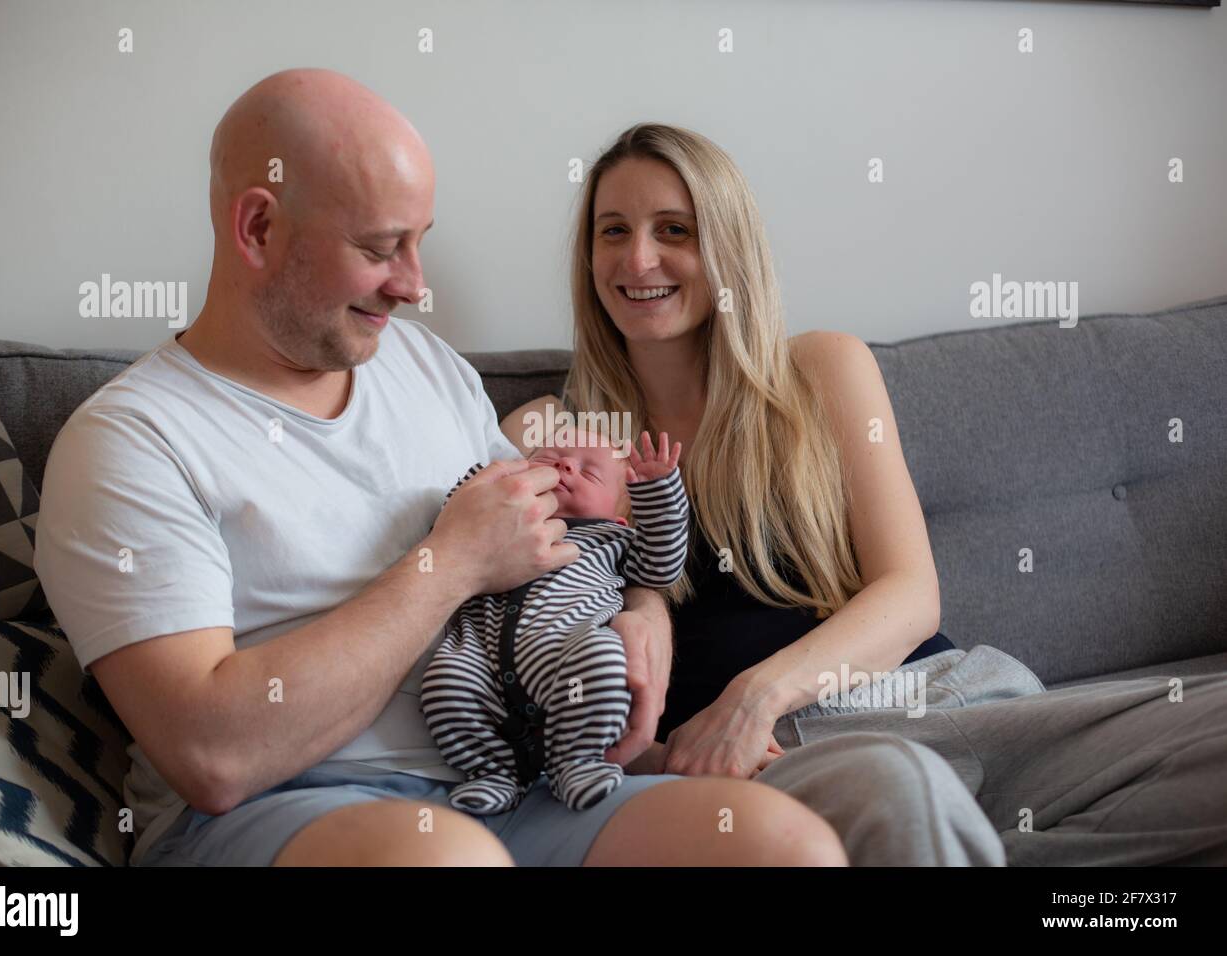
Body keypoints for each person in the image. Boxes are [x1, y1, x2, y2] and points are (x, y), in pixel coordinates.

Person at [32, 70, 848, 867]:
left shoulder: (422, 365)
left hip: (518, 791)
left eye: (421, 243)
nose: (416, 287)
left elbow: (553, 547)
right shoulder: (130, 442)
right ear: (257, 228)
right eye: (382, 248)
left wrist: (643, 610)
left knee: (784, 842)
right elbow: (214, 757)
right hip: (289, 806)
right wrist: (449, 561)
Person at [503, 121, 1227, 866]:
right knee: (899, 789)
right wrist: (663, 741)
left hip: (950, 697)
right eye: (612, 230)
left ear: (728, 247)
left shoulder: (820, 371)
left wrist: (754, 696)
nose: (638, 258)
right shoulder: (562, 434)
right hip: (795, 758)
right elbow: (550, 659)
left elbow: (912, 595)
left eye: (674, 229)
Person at [423, 427, 689, 815]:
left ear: (620, 517)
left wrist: (657, 492)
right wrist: (484, 488)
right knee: (446, 678)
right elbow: (454, 522)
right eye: (551, 458)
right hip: (481, 655)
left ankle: (578, 762)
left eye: (590, 472)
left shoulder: (611, 540)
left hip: (570, 652)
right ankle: (495, 771)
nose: (566, 464)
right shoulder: (497, 527)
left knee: (604, 656)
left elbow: (661, 567)